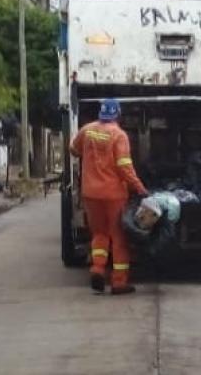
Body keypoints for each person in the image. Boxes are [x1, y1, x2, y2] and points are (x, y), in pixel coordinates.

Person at [69, 98, 149, 295]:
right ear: (118, 115)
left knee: (99, 233)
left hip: (90, 193)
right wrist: (140, 188)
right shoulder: (118, 135)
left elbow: (73, 149)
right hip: (113, 195)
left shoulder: (87, 130)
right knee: (118, 237)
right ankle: (118, 282)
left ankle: (97, 269)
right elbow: (124, 167)